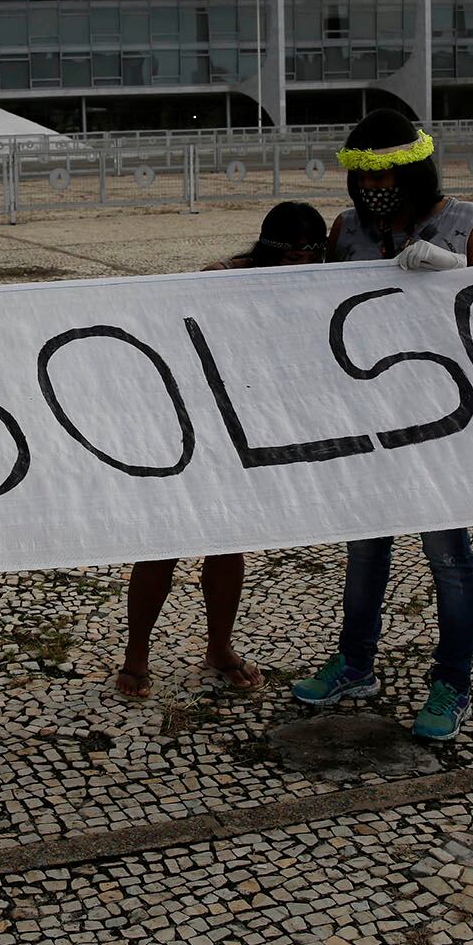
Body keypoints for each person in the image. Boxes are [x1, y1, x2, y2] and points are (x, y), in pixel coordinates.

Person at [290, 108, 473, 741]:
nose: (373, 191)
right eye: (362, 179)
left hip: (443, 421)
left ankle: (453, 682)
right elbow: (318, 309)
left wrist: (455, 273)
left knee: (447, 555)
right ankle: (355, 664)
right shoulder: (347, 229)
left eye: (386, 177)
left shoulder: (466, 224)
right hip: (369, 418)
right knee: (364, 550)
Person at [115, 201, 331, 699]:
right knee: (163, 544)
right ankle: (136, 656)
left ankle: (219, 647)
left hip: (247, 431)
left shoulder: (323, 283)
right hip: (190, 426)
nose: (298, 270)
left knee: (228, 542)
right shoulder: (220, 279)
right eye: (290, 260)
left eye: (308, 260)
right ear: (268, 253)